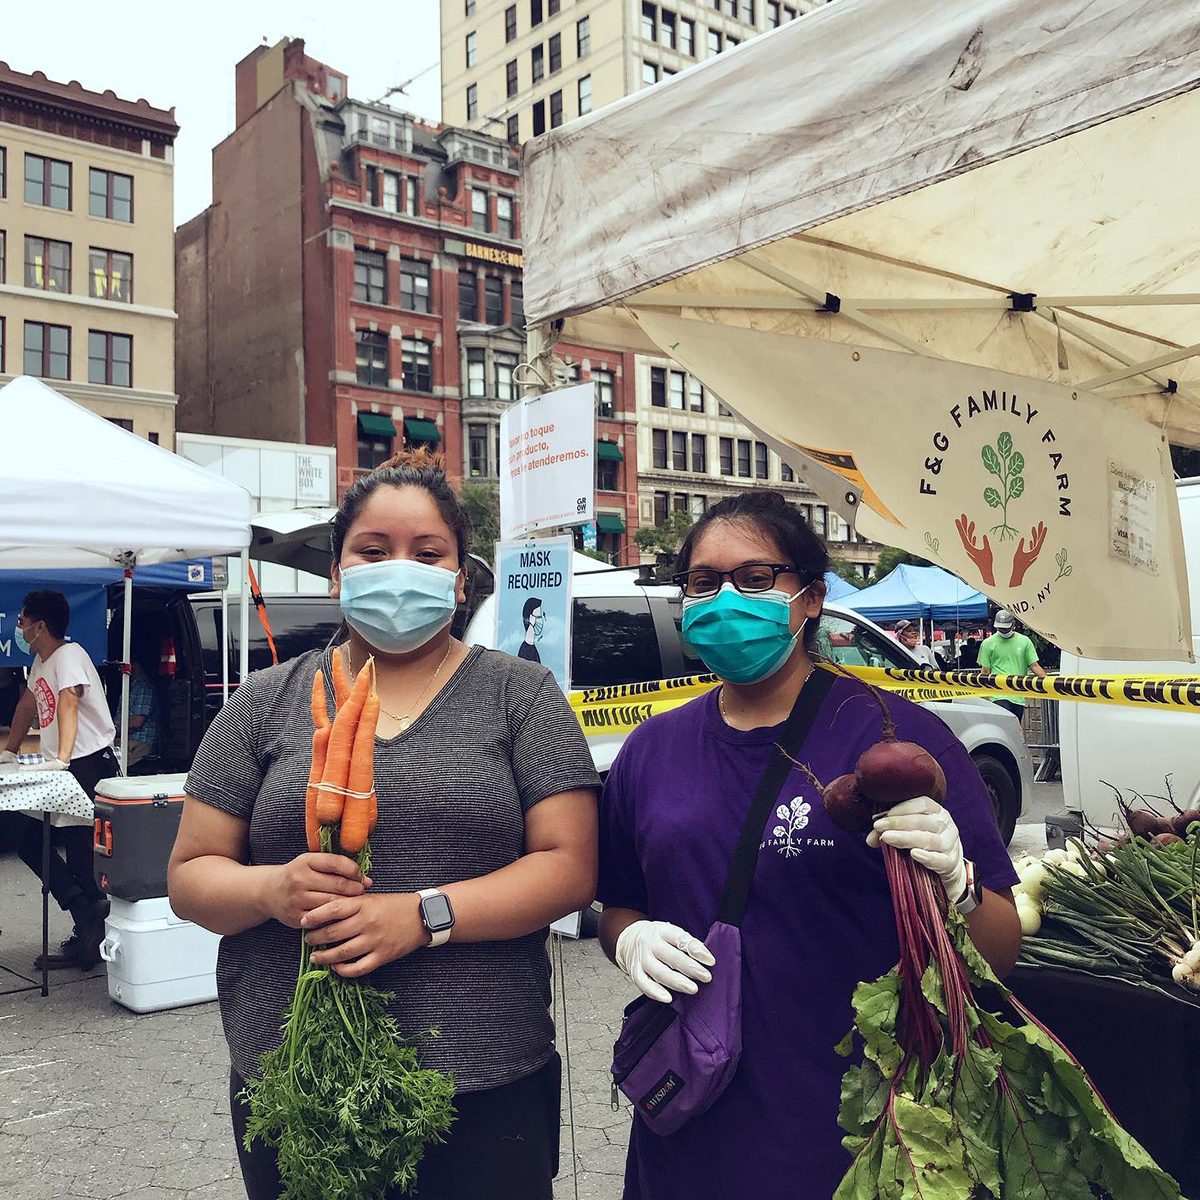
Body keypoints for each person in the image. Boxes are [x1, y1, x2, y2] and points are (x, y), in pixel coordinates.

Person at [168, 448, 600, 1200]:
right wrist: (272, 889)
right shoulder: (264, 703)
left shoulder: (520, 696)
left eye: (426, 553)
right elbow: (190, 876)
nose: (399, 567)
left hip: (484, 1079)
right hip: (295, 1077)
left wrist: (424, 916)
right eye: (373, 550)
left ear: (459, 578)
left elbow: (569, 866)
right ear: (338, 572)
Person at [597, 491, 1019, 1200]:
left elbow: (1001, 954)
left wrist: (962, 887)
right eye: (703, 582)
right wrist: (631, 941)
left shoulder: (894, 739)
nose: (726, 597)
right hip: (690, 1128)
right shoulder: (651, 751)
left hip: (857, 1135)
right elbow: (618, 905)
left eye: (756, 578)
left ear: (811, 598)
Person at [0, 590, 119, 969]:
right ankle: (86, 913)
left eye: (22, 621)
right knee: (30, 843)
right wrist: (10, 750)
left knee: (82, 852)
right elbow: (27, 704)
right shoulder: (41, 661)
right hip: (63, 767)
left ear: (40, 626)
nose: (18, 627)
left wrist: (63, 757)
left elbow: (68, 699)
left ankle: (91, 934)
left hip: (86, 764)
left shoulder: (69, 656)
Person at [978, 609, 1046, 724]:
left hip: (1018, 695)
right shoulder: (987, 644)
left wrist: (1049, 683)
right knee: (1006, 726)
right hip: (998, 695)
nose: (1003, 631)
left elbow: (1034, 665)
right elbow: (985, 672)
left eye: (1005, 628)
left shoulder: (1024, 642)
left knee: (1014, 729)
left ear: (1013, 625)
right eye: (1000, 628)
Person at [123, 660, 160, 772]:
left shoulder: (144, 687)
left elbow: (137, 722)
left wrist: (114, 731)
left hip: (139, 742)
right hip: (126, 738)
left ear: (135, 665)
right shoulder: (132, 685)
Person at [517, 596, 545, 664]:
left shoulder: (533, 647)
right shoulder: (525, 651)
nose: (541, 620)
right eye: (538, 617)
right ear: (530, 618)